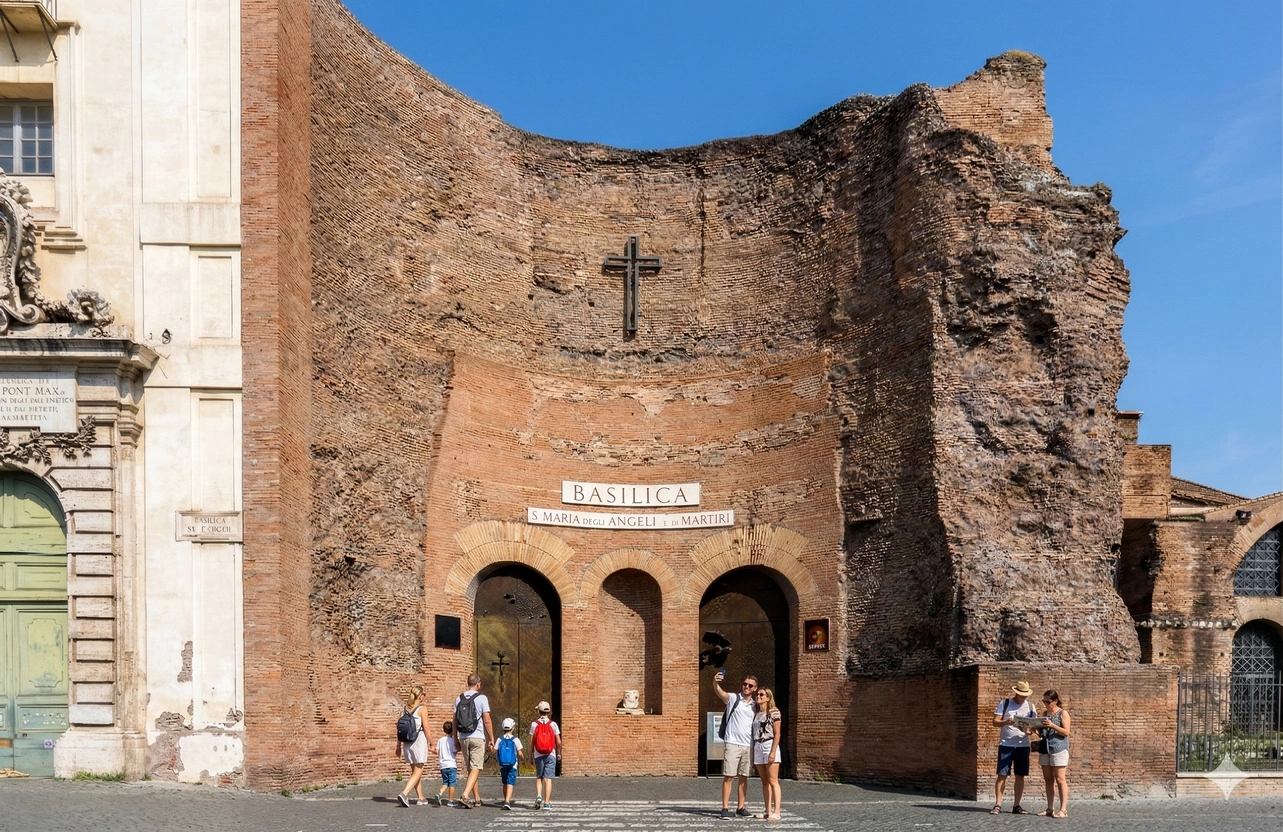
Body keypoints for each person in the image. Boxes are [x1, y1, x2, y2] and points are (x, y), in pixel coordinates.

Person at [713, 669, 757, 820]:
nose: (746, 687)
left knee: (744, 777)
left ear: (754, 689)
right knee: (729, 776)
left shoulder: (755, 705)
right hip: (732, 743)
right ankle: (725, 808)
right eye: (745, 684)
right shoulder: (733, 698)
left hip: (748, 745)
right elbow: (720, 693)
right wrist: (715, 682)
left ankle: (741, 807)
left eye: (750, 686)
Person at [990, 679, 1038, 815]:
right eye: (1021, 695)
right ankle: (998, 804)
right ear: (1016, 693)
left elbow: (1032, 730)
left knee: (1020, 776)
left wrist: (1026, 730)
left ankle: (1016, 805)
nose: (1023, 697)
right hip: (1006, 744)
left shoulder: (1030, 706)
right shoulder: (1004, 703)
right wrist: (1006, 722)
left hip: (1023, 745)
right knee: (1002, 775)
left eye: (1025, 695)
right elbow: (995, 722)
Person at [454, 674, 494, 809]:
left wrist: (455, 738)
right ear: (478, 684)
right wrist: (492, 738)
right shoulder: (482, 698)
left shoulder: (458, 699)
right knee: (476, 767)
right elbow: (487, 720)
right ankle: (465, 795)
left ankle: (477, 799)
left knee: (472, 769)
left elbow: (454, 721)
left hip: (463, 737)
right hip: (477, 736)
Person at [1036, 690, 1071, 818]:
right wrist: (1035, 729)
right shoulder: (1044, 714)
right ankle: (1050, 808)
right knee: (1048, 779)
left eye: (1047, 701)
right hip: (1046, 749)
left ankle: (1063, 809)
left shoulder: (1063, 713)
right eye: (1043, 701)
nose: (1045, 704)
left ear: (1055, 701)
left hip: (1059, 749)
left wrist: (1052, 725)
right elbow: (1043, 734)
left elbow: (1066, 732)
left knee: (1060, 779)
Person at [394, 685, 429, 807]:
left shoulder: (405, 709)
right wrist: (432, 743)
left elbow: (399, 728)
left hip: (407, 743)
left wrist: (398, 746)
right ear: (421, 696)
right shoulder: (422, 709)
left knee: (415, 771)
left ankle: (421, 798)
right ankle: (404, 794)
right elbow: (426, 728)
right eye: (424, 694)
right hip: (418, 741)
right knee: (418, 771)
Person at [751, 688, 783, 821]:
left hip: (769, 745)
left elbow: (777, 734)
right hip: (758, 745)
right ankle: (767, 811)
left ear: (768, 697)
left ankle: (777, 811)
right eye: (757, 694)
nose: (758, 696)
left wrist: (773, 751)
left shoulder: (774, 711)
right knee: (764, 781)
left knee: (773, 780)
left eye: (761, 694)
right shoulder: (756, 713)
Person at [528, 700, 562, 810]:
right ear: (548, 711)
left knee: (539, 777)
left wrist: (530, 755)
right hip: (550, 753)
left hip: (538, 754)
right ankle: (547, 803)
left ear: (539, 711)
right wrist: (558, 754)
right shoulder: (553, 724)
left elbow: (531, 742)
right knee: (548, 779)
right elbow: (559, 742)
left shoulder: (534, 724)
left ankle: (538, 795)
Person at [494, 717, 524, 810]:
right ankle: (507, 801)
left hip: (502, 764)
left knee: (505, 783)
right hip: (513, 764)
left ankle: (505, 799)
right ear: (513, 728)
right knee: (510, 782)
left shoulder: (499, 739)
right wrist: (523, 759)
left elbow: (494, 750)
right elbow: (519, 753)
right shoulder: (516, 739)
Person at [431, 720, 459, 807]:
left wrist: (432, 750)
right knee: (452, 783)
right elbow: (455, 751)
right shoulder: (453, 741)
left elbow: (437, 751)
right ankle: (450, 801)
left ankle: (440, 793)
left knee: (445, 783)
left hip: (443, 765)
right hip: (451, 764)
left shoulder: (440, 740)